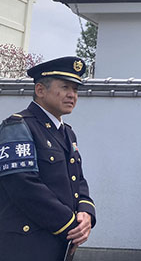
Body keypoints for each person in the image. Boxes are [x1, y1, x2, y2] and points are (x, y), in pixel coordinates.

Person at [0, 56, 96, 261]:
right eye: (65, 87)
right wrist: (70, 224)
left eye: (76, 90)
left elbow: (78, 181)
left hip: (59, 242)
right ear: (40, 90)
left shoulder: (67, 133)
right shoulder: (18, 126)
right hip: (26, 244)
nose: (72, 95)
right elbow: (23, 186)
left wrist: (86, 213)